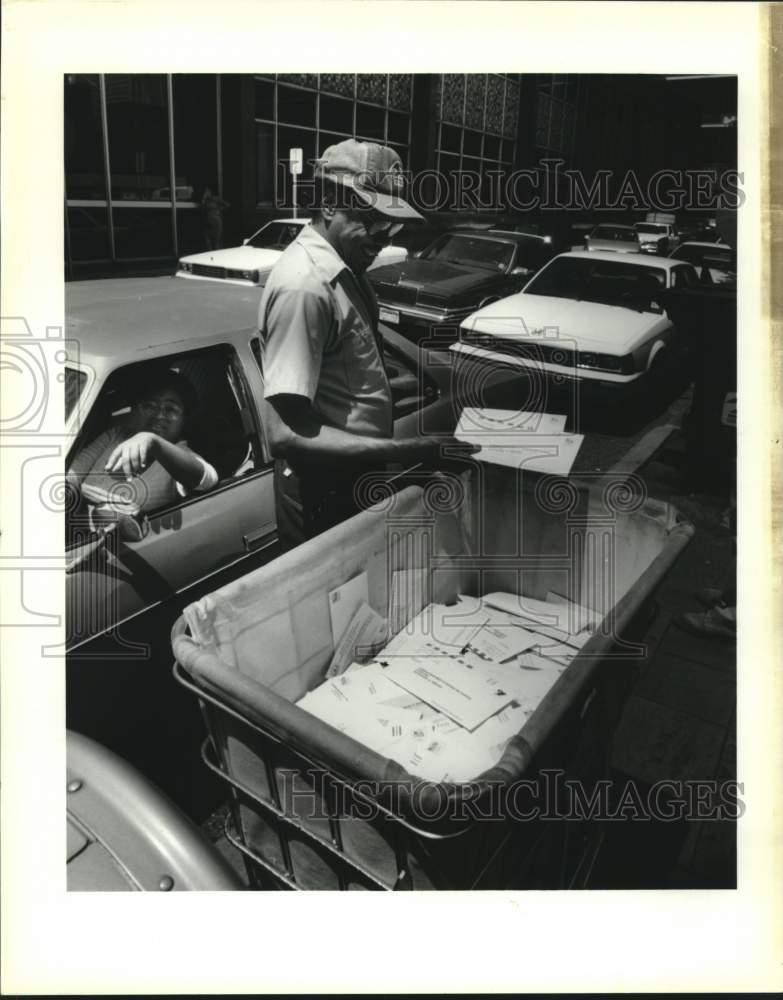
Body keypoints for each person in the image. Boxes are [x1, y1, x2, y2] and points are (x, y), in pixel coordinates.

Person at [257, 138, 475, 552]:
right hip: (320, 490)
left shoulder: (344, 268)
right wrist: (411, 449)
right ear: (327, 205)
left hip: (349, 478)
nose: (382, 236)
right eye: (371, 219)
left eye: (392, 225)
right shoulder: (306, 286)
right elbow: (284, 433)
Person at [68, 369, 218, 522]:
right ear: (138, 409)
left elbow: (208, 480)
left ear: (185, 418)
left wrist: (152, 441)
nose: (159, 415)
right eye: (150, 406)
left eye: (171, 409)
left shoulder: (181, 454)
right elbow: (73, 474)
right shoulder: (116, 435)